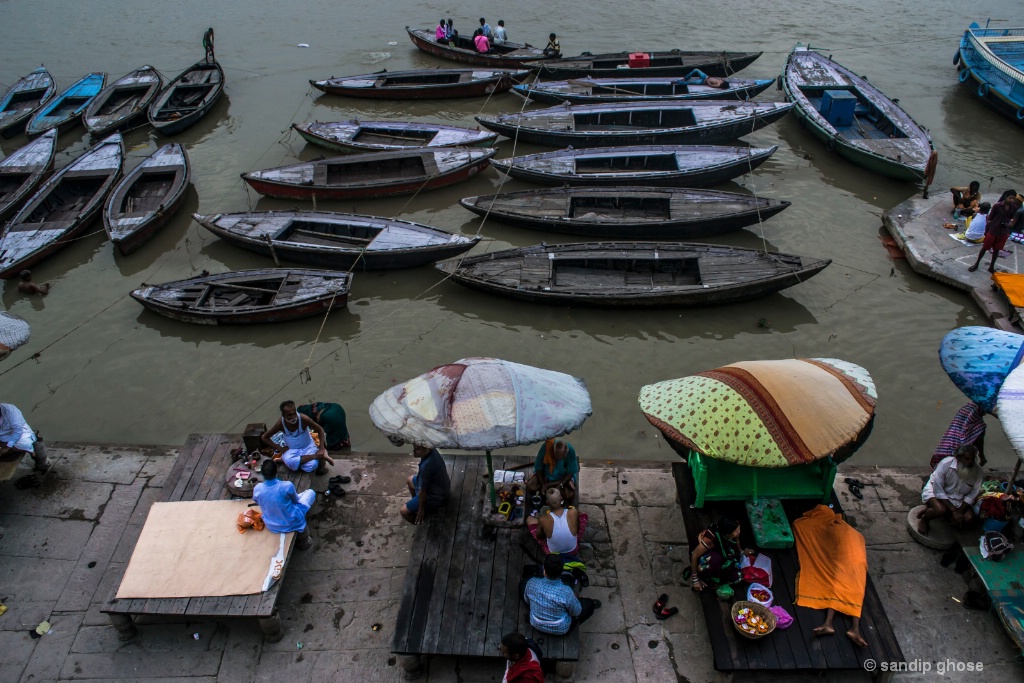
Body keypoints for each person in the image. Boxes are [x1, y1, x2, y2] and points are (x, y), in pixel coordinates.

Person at [523, 554, 600, 635]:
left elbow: (527, 600)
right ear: (561, 573)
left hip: (536, 623)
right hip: (560, 629)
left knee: (523, 584)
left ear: (544, 570)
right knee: (589, 604)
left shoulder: (531, 583)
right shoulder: (567, 592)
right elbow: (576, 612)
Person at [917, 444, 982, 534]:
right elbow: (938, 490)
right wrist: (953, 511)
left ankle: (930, 509)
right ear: (958, 458)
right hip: (936, 492)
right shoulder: (945, 464)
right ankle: (925, 519)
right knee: (940, 510)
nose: (970, 462)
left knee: (968, 518)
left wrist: (959, 511)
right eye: (966, 459)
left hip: (958, 499)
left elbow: (973, 494)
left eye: (972, 459)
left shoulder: (978, 471)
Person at [253, 459, 315, 549]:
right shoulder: (287, 485)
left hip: (272, 525)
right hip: (291, 523)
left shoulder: (257, 488)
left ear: (263, 474)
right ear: (276, 472)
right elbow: (296, 501)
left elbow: (257, 501)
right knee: (310, 493)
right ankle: (304, 543)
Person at [262, 400, 333, 475]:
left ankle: (288, 461)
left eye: (294, 413)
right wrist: (280, 448)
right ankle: (315, 456)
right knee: (291, 461)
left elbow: (320, 430)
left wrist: (321, 448)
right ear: (283, 415)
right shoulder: (280, 424)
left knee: (312, 465)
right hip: (292, 450)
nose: (293, 417)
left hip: (308, 447)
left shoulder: (303, 419)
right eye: (289, 415)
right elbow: (265, 437)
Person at [690, 516, 750, 591]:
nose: (738, 532)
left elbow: (736, 541)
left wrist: (742, 552)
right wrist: (695, 579)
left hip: (720, 553)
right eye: (736, 531)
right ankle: (703, 574)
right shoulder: (710, 539)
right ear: (727, 534)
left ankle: (718, 571)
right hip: (704, 556)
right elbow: (695, 555)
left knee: (738, 575)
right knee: (715, 559)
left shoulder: (732, 533)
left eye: (738, 529)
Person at [969, 190, 1021, 273]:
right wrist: (987, 231)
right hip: (993, 230)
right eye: (1010, 198)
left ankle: (991, 267)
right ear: (1005, 197)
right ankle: (976, 264)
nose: (1011, 200)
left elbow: (1011, 219)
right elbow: (989, 219)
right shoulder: (997, 206)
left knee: (996, 250)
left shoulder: (1013, 207)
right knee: (985, 248)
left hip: (1003, 232)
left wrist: (1009, 223)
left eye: (1013, 198)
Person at [527, 487, 588, 555]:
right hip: (573, 550)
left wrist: (548, 530)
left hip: (554, 555)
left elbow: (539, 536)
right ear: (561, 499)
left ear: (547, 502)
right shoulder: (573, 512)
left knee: (529, 519)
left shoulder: (543, 519)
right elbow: (577, 527)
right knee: (583, 515)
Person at [400, 444, 451, 524]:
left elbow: (422, 491)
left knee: (403, 511)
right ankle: (416, 503)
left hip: (436, 496)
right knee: (409, 480)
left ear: (426, 450)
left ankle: (418, 522)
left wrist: (421, 510)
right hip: (441, 487)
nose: (413, 451)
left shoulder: (426, 466)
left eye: (417, 449)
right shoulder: (432, 450)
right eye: (414, 448)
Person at [0, 403, 50, 472]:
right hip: (2, 436)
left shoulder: (10, 410)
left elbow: (18, 430)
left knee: (27, 443)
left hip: (16, 433)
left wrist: (8, 446)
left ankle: (42, 462)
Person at [526, 438, 578, 503]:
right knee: (530, 486)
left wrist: (560, 485)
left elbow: (571, 472)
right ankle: (548, 487)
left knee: (569, 495)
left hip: (562, 478)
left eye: (561, 458)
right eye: (556, 457)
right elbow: (538, 467)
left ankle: (550, 487)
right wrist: (542, 483)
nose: (558, 460)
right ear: (553, 451)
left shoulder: (571, 451)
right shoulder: (546, 447)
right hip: (546, 475)